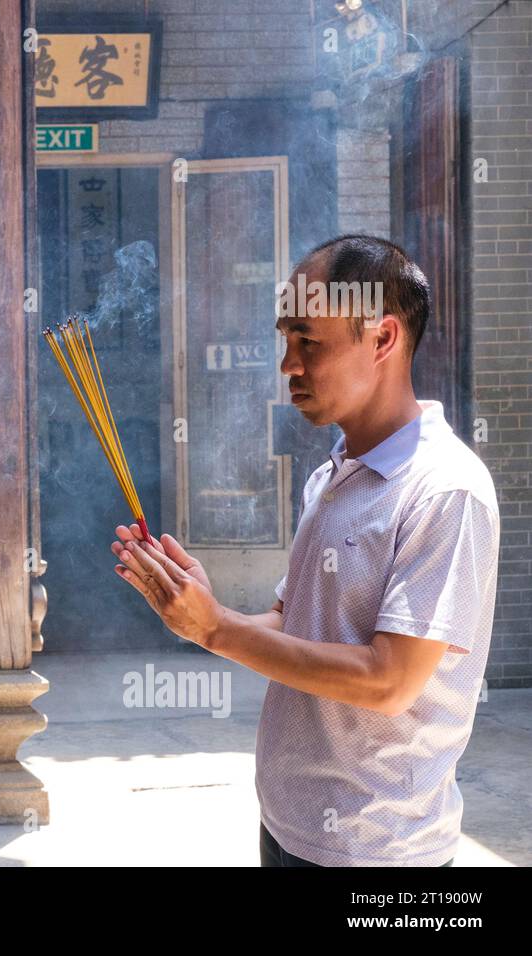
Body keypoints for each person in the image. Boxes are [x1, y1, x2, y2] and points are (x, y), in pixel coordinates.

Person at [110, 235, 498, 867]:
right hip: (289, 832)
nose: (288, 363)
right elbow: (296, 624)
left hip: (379, 853)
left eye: (308, 341)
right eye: (285, 339)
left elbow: (389, 682)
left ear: (382, 339)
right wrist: (204, 608)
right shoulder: (332, 476)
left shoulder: (444, 490)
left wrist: (219, 632)